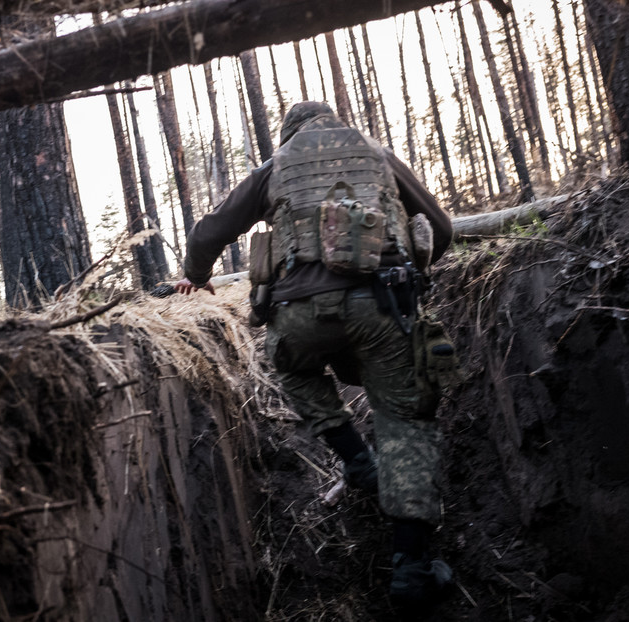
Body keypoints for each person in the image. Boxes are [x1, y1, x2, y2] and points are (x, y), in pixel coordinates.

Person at [174, 101, 454, 605]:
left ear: (288, 134)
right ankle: (411, 569)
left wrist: (196, 275)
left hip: (298, 311)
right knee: (405, 424)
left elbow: (209, 232)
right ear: (335, 123)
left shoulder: (274, 167)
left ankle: (355, 459)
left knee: (292, 368)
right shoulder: (378, 155)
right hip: (382, 304)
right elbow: (442, 226)